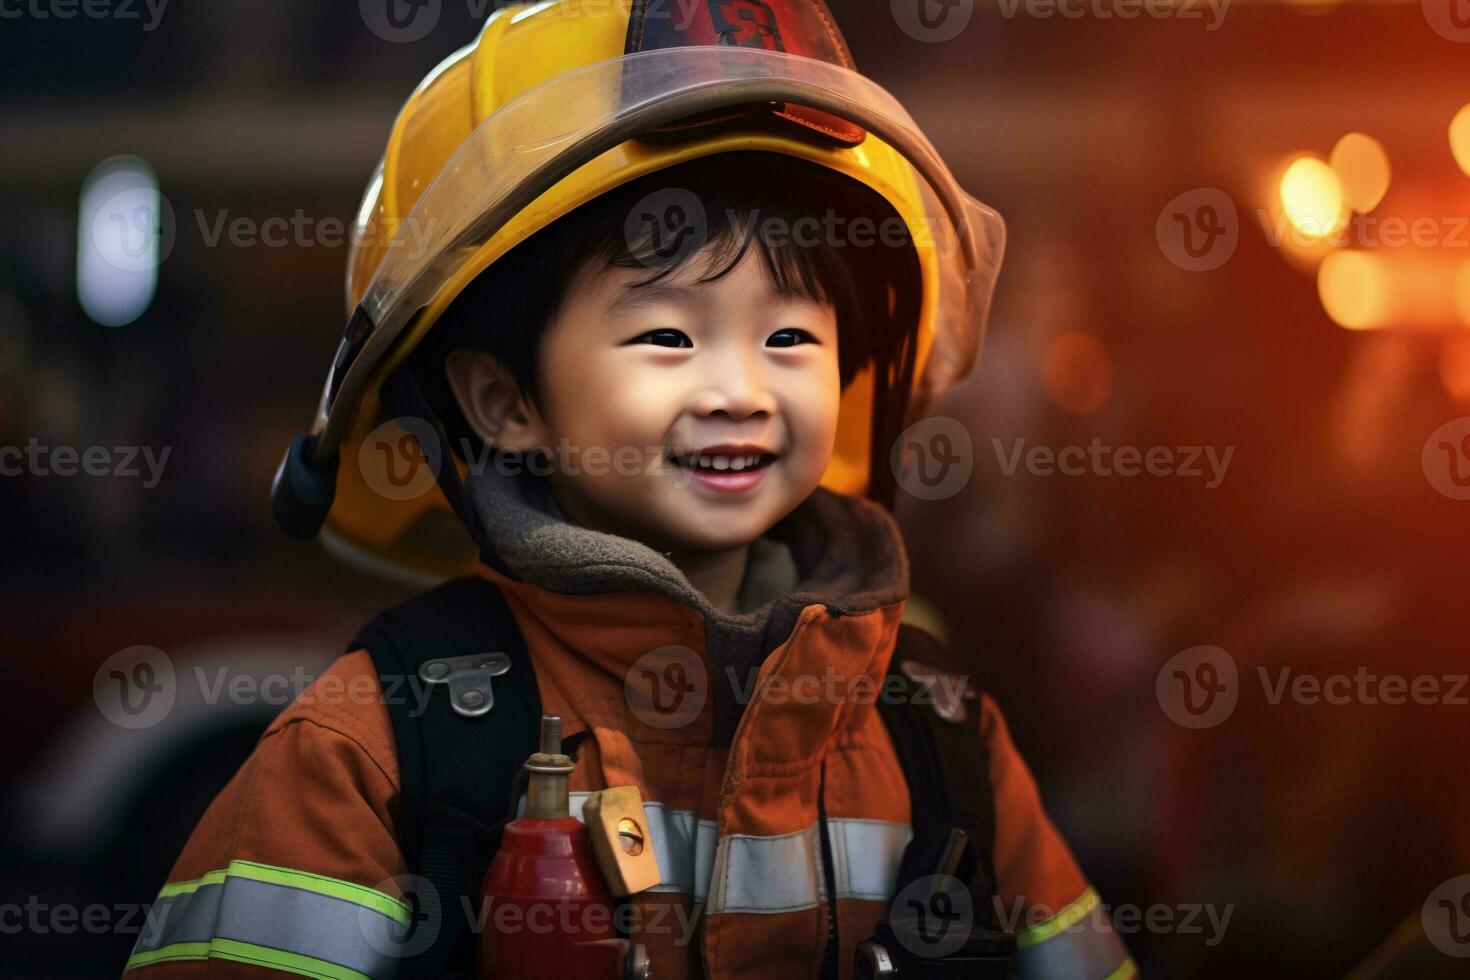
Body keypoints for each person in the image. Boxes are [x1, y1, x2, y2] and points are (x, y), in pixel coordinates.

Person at [125, 2, 1136, 977]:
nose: (739, 391)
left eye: (790, 336)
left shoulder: (940, 732)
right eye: (668, 336)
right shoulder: (376, 748)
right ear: (501, 398)